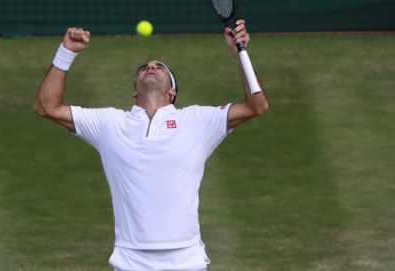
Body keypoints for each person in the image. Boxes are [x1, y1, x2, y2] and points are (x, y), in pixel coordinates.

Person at [34, 19, 268, 271]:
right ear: (135, 90)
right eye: (144, 67)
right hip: (131, 262)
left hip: (186, 261)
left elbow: (257, 106)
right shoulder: (109, 123)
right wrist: (66, 51)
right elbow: (46, 107)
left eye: (160, 67)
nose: (151, 67)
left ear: (172, 92)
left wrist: (240, 54)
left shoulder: (197, 120)